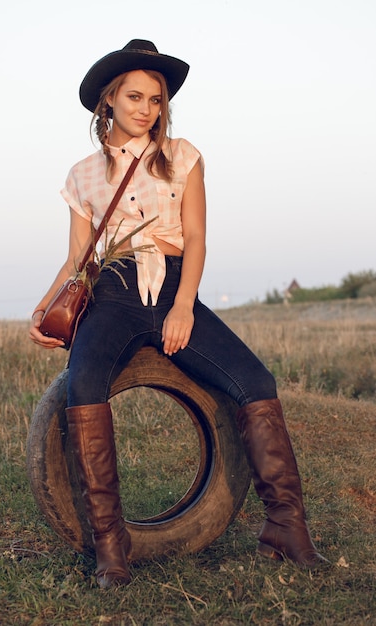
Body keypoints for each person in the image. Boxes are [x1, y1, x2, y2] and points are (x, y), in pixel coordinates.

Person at [30, 39, 328, 589]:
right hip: (112, 293)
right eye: (135, 97)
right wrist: (47, 306)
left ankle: (286, 528)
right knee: (84, 385)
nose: (147, 108)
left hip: (173, 288)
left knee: (256, 380)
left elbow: (195, 238)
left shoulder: (185, 155)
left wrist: (184, 305)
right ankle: (111, 549)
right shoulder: (82, 175)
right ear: (108, 101)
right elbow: (78, 257)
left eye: (157, 99)